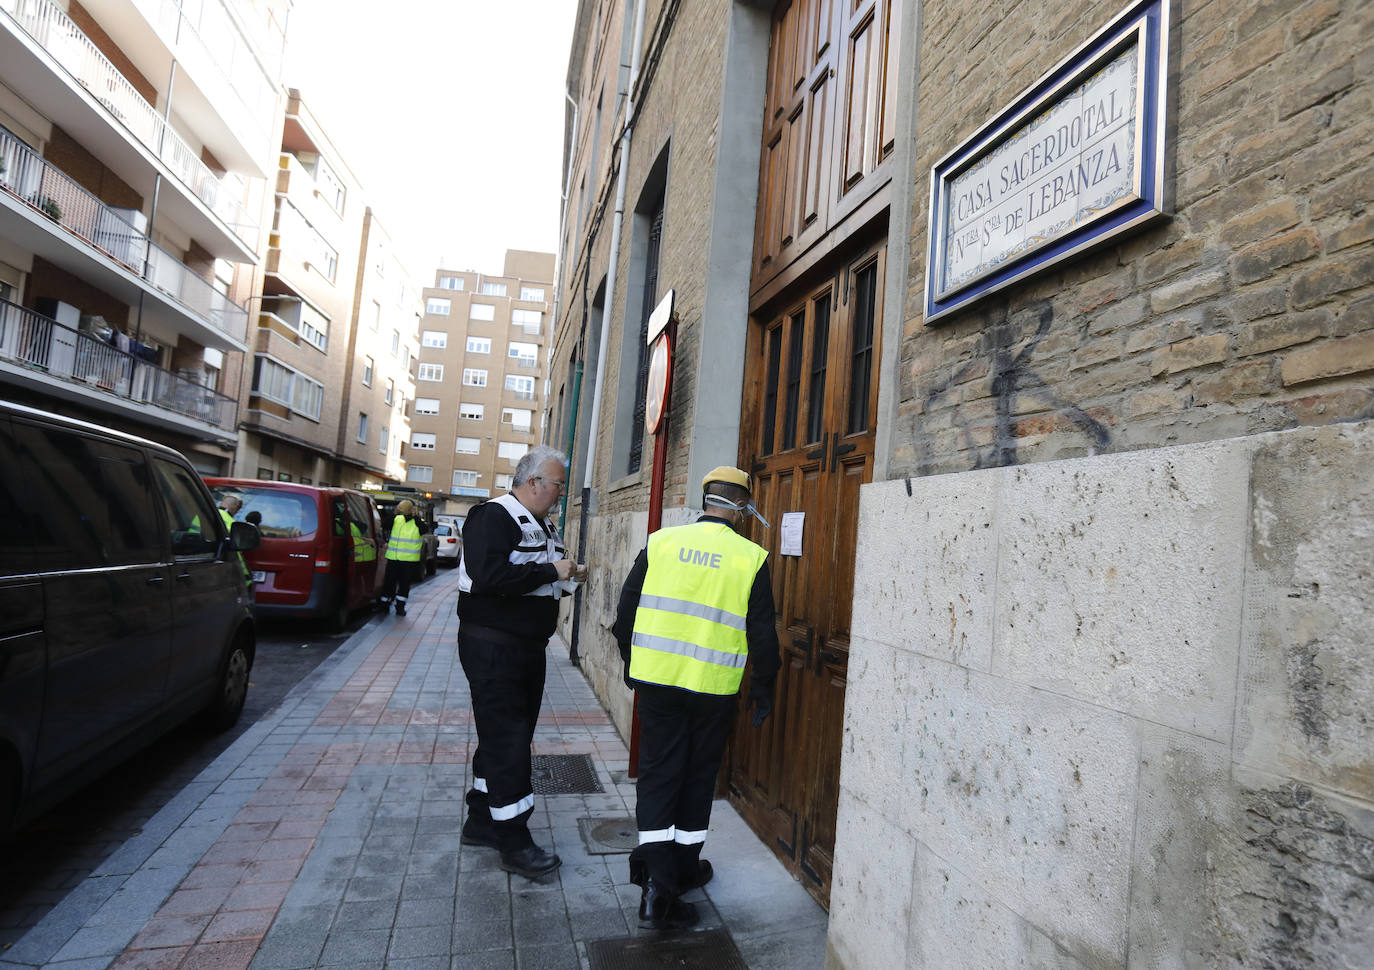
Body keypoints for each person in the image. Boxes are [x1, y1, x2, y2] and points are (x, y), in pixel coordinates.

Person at [613, 465, 781, 930]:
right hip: (712, 691)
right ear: (743, 507)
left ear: (705, 500)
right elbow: (763, 636)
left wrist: (632, 664)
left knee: (658, 776)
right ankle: (670, 882)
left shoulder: (662, 542)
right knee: (696, 778)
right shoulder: (750, 557)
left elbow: (626, 611)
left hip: (659, 684)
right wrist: (764, 689)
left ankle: (663, 880)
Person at [456, 445, 586, 879]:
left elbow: (542, 578)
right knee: (509, 741)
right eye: (557, 485)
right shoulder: (493, 516)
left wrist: (568, 577)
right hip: (495, 646)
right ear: (533, 483)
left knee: (502, 736)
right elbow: (487, 577)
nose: (561, 494)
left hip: (526, 646)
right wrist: (553, 572)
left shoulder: (542, 525)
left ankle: (480, 823)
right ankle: (514, 842)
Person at [378, 498, 422, 616]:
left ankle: (386, 606)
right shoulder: (408, 520)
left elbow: (384, 524)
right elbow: (385, 524)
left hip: (399, 559)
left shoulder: (413, 521)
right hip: (405, 560)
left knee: (391, 583)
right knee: (403, 585)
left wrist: (396, 513)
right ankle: (398, 607)